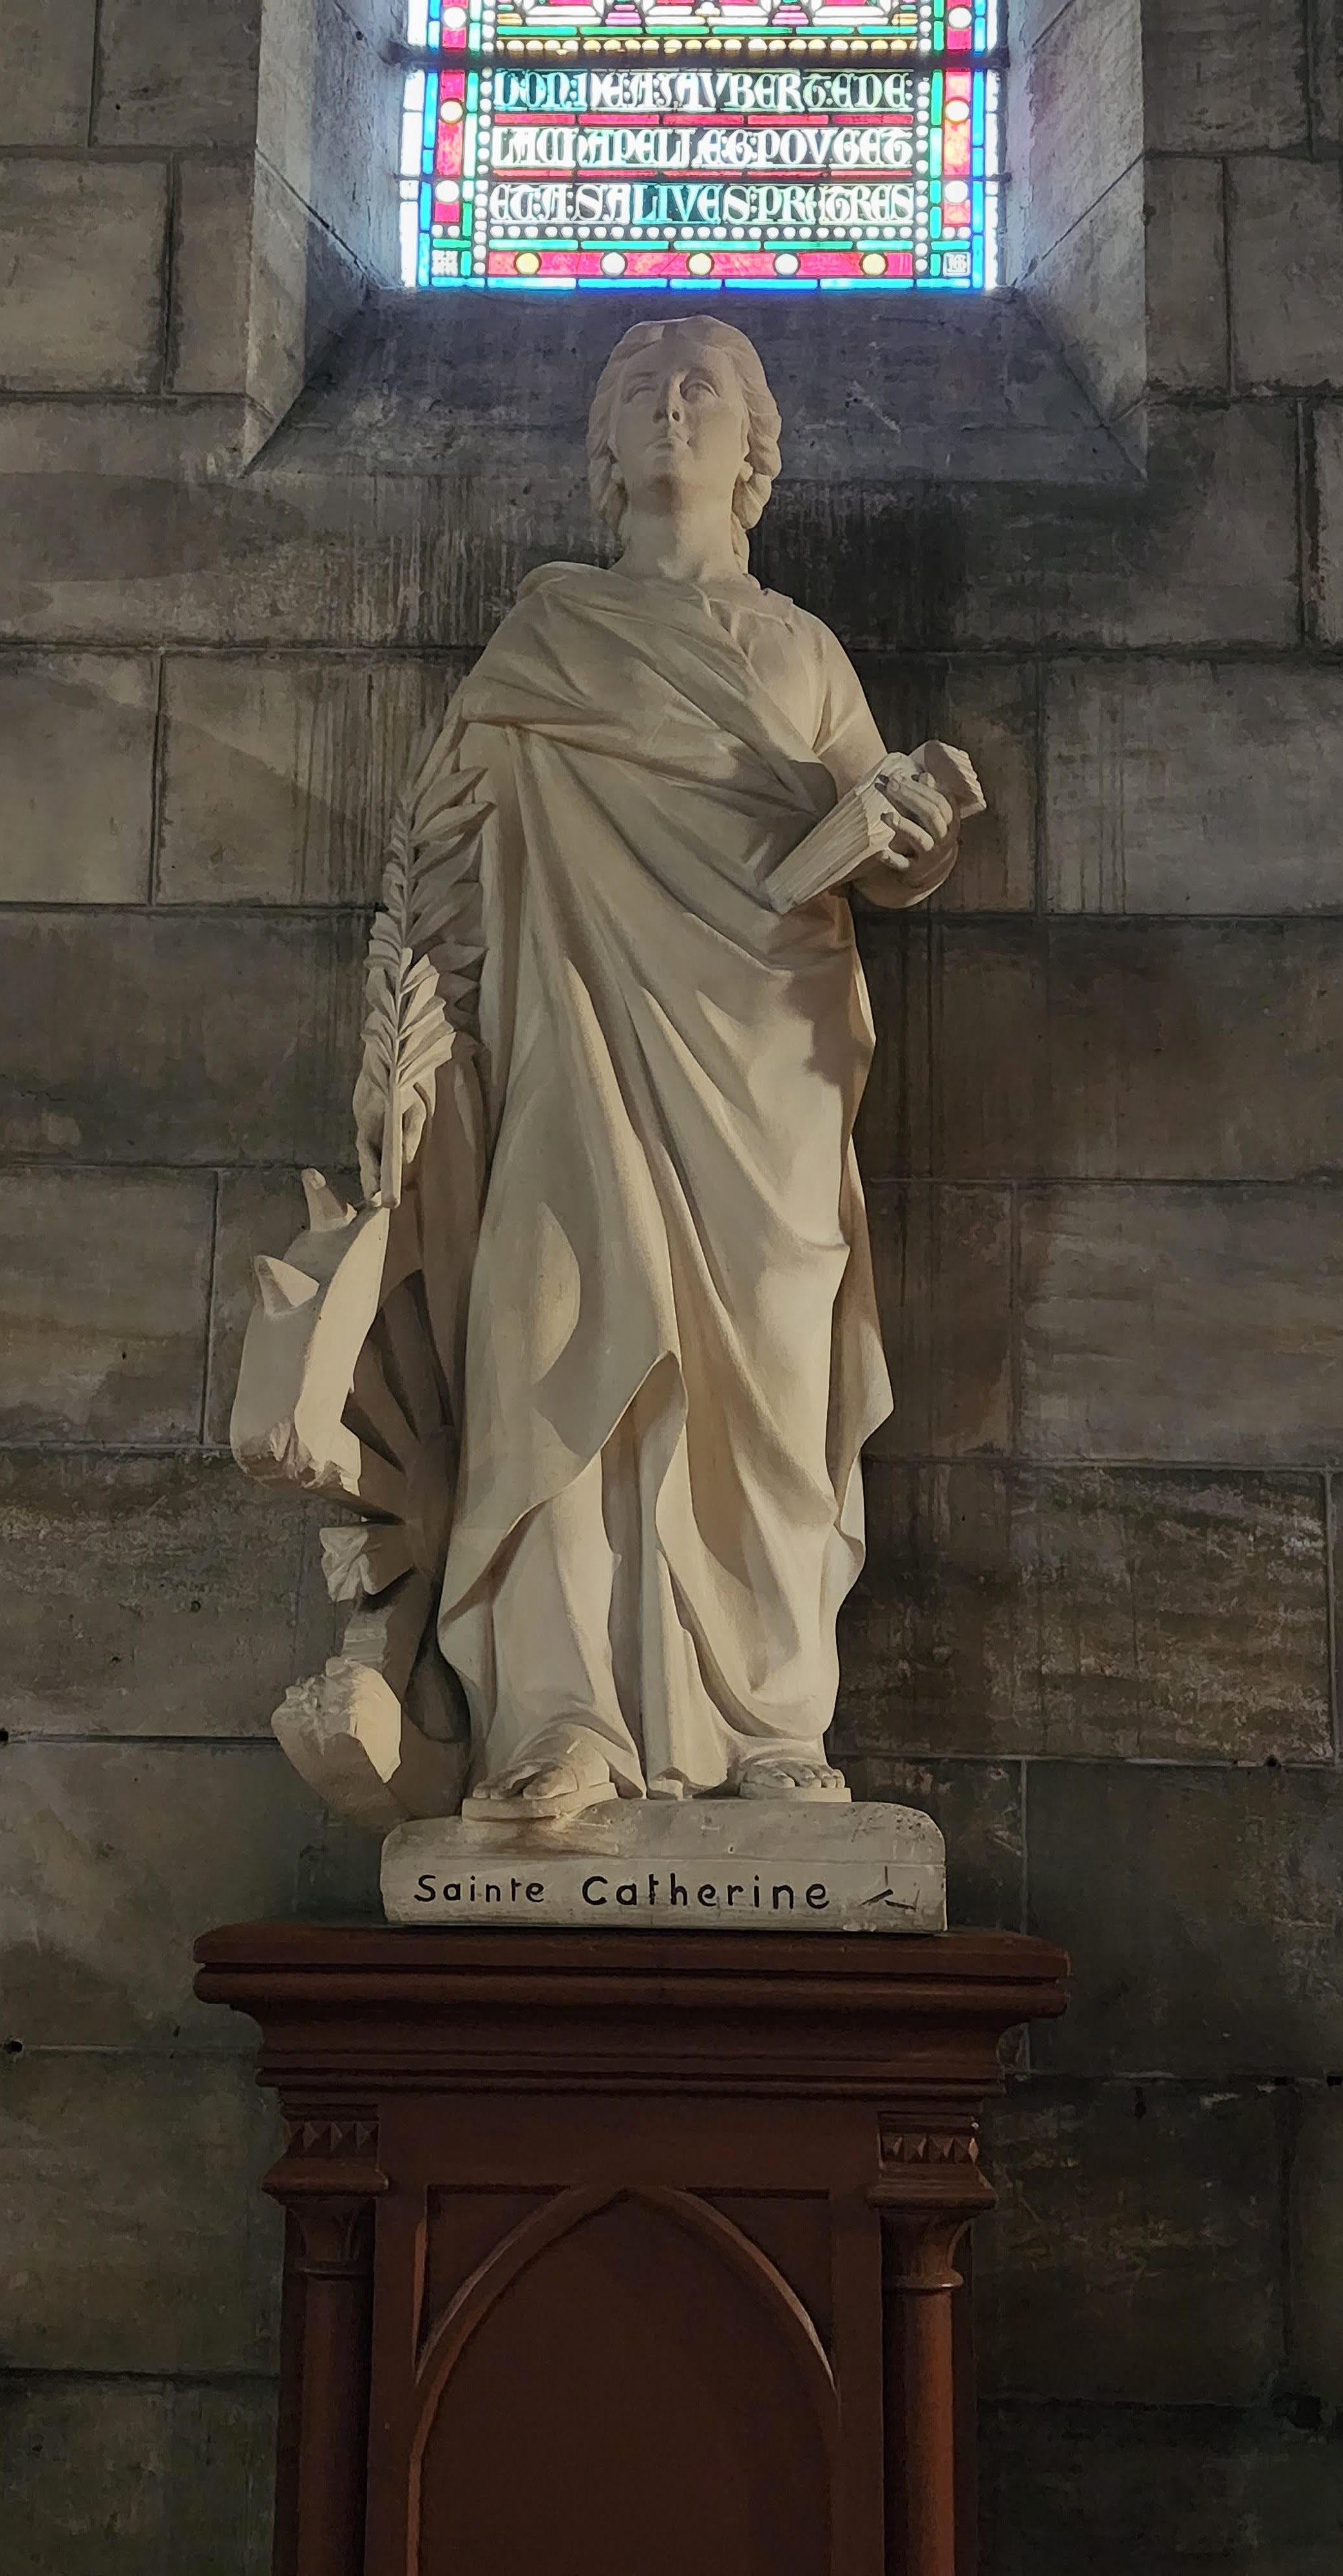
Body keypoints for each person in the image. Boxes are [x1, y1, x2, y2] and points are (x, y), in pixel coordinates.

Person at [352, 315, 972, 1823]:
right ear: (603, 443)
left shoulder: (802, 650)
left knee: (767, 1368)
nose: (672, 407)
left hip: (765, 1061)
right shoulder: (544, 639)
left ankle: (771, 1719)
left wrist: (911, 829)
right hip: (574, 1040)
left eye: (703, 388)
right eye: (640, 388)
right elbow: (447, 861)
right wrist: (416, 1050)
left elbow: (882, 830)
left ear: (756, 444)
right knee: (552, 1326)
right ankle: (559, 1717)